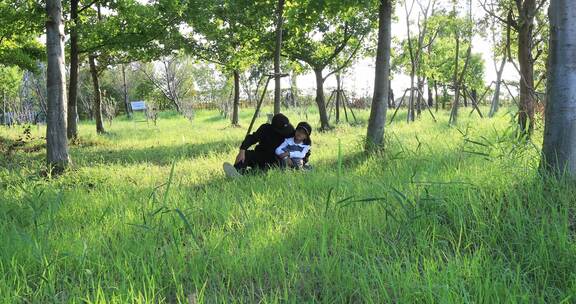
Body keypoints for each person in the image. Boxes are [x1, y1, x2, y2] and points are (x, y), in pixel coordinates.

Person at [223, 113, 294, 177]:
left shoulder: (290, 131)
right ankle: (237, 172)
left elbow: (301, 143)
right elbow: (251, 138)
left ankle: (246, 174)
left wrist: (291, 157)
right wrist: (242, 150)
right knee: (246, 155)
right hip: (261, 155)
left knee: (264, 172)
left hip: (276, 159)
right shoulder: (265, 129)